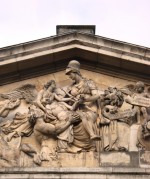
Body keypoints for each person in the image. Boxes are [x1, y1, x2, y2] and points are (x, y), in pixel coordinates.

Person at [65, 60, 101, 150]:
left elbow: (97, 96)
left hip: (90, 109)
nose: (69, 76)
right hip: (77, 109)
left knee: (84, 115)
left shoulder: (88, 83)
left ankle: (92, 135)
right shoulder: (71, 87)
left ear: (75, 72)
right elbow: (67, 102)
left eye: (70, 74)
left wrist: (85, 99)